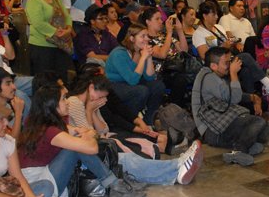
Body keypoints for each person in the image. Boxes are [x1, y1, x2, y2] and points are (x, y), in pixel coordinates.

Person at [64, 73, 203, 184]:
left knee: (130, 157)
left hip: (100, 143)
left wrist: (93, 111)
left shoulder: (91, 103)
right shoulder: (75, 102)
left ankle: (177, 166)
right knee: (129, 159)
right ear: (91, 88)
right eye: (62, 99)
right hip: (92, 149)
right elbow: (92, 136)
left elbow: (103, 130)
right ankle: (177, 166)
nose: (101, 100)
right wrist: (89, 111)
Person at [16, 84, 146, 197]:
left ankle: (115, 183)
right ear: (52, 104)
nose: (67, 102)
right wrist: (88, 135)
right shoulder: (49, 131)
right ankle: (114, 185)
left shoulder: (40, 122)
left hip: (41, 175)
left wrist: (88, 135)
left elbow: (84, 131)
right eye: (63, 99)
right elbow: (91, 147)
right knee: (75, 149)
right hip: (40, 182)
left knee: (80, 145)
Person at [191, 47, 269, 167]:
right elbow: (235, 98)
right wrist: (233, 73)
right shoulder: (209, 78)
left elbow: (228, 94)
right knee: (258, 122)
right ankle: (239, 151)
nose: (230, 65)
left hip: (220, 124)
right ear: (214, 66)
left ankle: (244, 145)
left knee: (264, 128)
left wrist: (253, 97)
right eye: (226, 63)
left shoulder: (208, 74)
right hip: (212, 131)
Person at [193, 1, 269, 98]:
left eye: (216, 14)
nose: (216, 17)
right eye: (213, 14)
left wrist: (232, 43)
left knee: (245, 70)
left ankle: (253, 98)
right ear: (204, 16)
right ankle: (268, 84)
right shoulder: (199, 33)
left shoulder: (218, 28)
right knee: (246, 56)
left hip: (229, 58)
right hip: (217, 64)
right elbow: (205, 56)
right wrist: (223, 47)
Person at [105, 24, 166, 125]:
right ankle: (130, 120)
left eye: (147, 36)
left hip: (129, 82)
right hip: (113, 85)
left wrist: (149, 57)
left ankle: (148, 120)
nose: (147, 39)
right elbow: (132, 80)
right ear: (132, 38)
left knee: (158, 86)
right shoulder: (119, 53)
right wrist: (143, 58)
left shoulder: (140, 51)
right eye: (143, 36)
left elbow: (150, 78)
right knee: (141, 91)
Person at [25, 0, 73, 82]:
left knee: (61, 79)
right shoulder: (33, 1)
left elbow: (67, 16)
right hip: (41, 47)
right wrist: (57, 32)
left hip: (59, 45)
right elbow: (38, 23)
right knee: (45, 81)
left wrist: (69, 29)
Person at [141, 7, 191, 107]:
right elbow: (162, 55)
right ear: (148, 22)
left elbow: (184, 50)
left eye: (161, 19)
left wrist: (180, 30)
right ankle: (174, 108)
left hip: (177, 68)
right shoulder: (146, 39)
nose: (161, 21)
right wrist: (169, 33)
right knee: (181, 79)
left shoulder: (164, 35)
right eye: (157, 19)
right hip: (162, 72)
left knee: (190, 74)